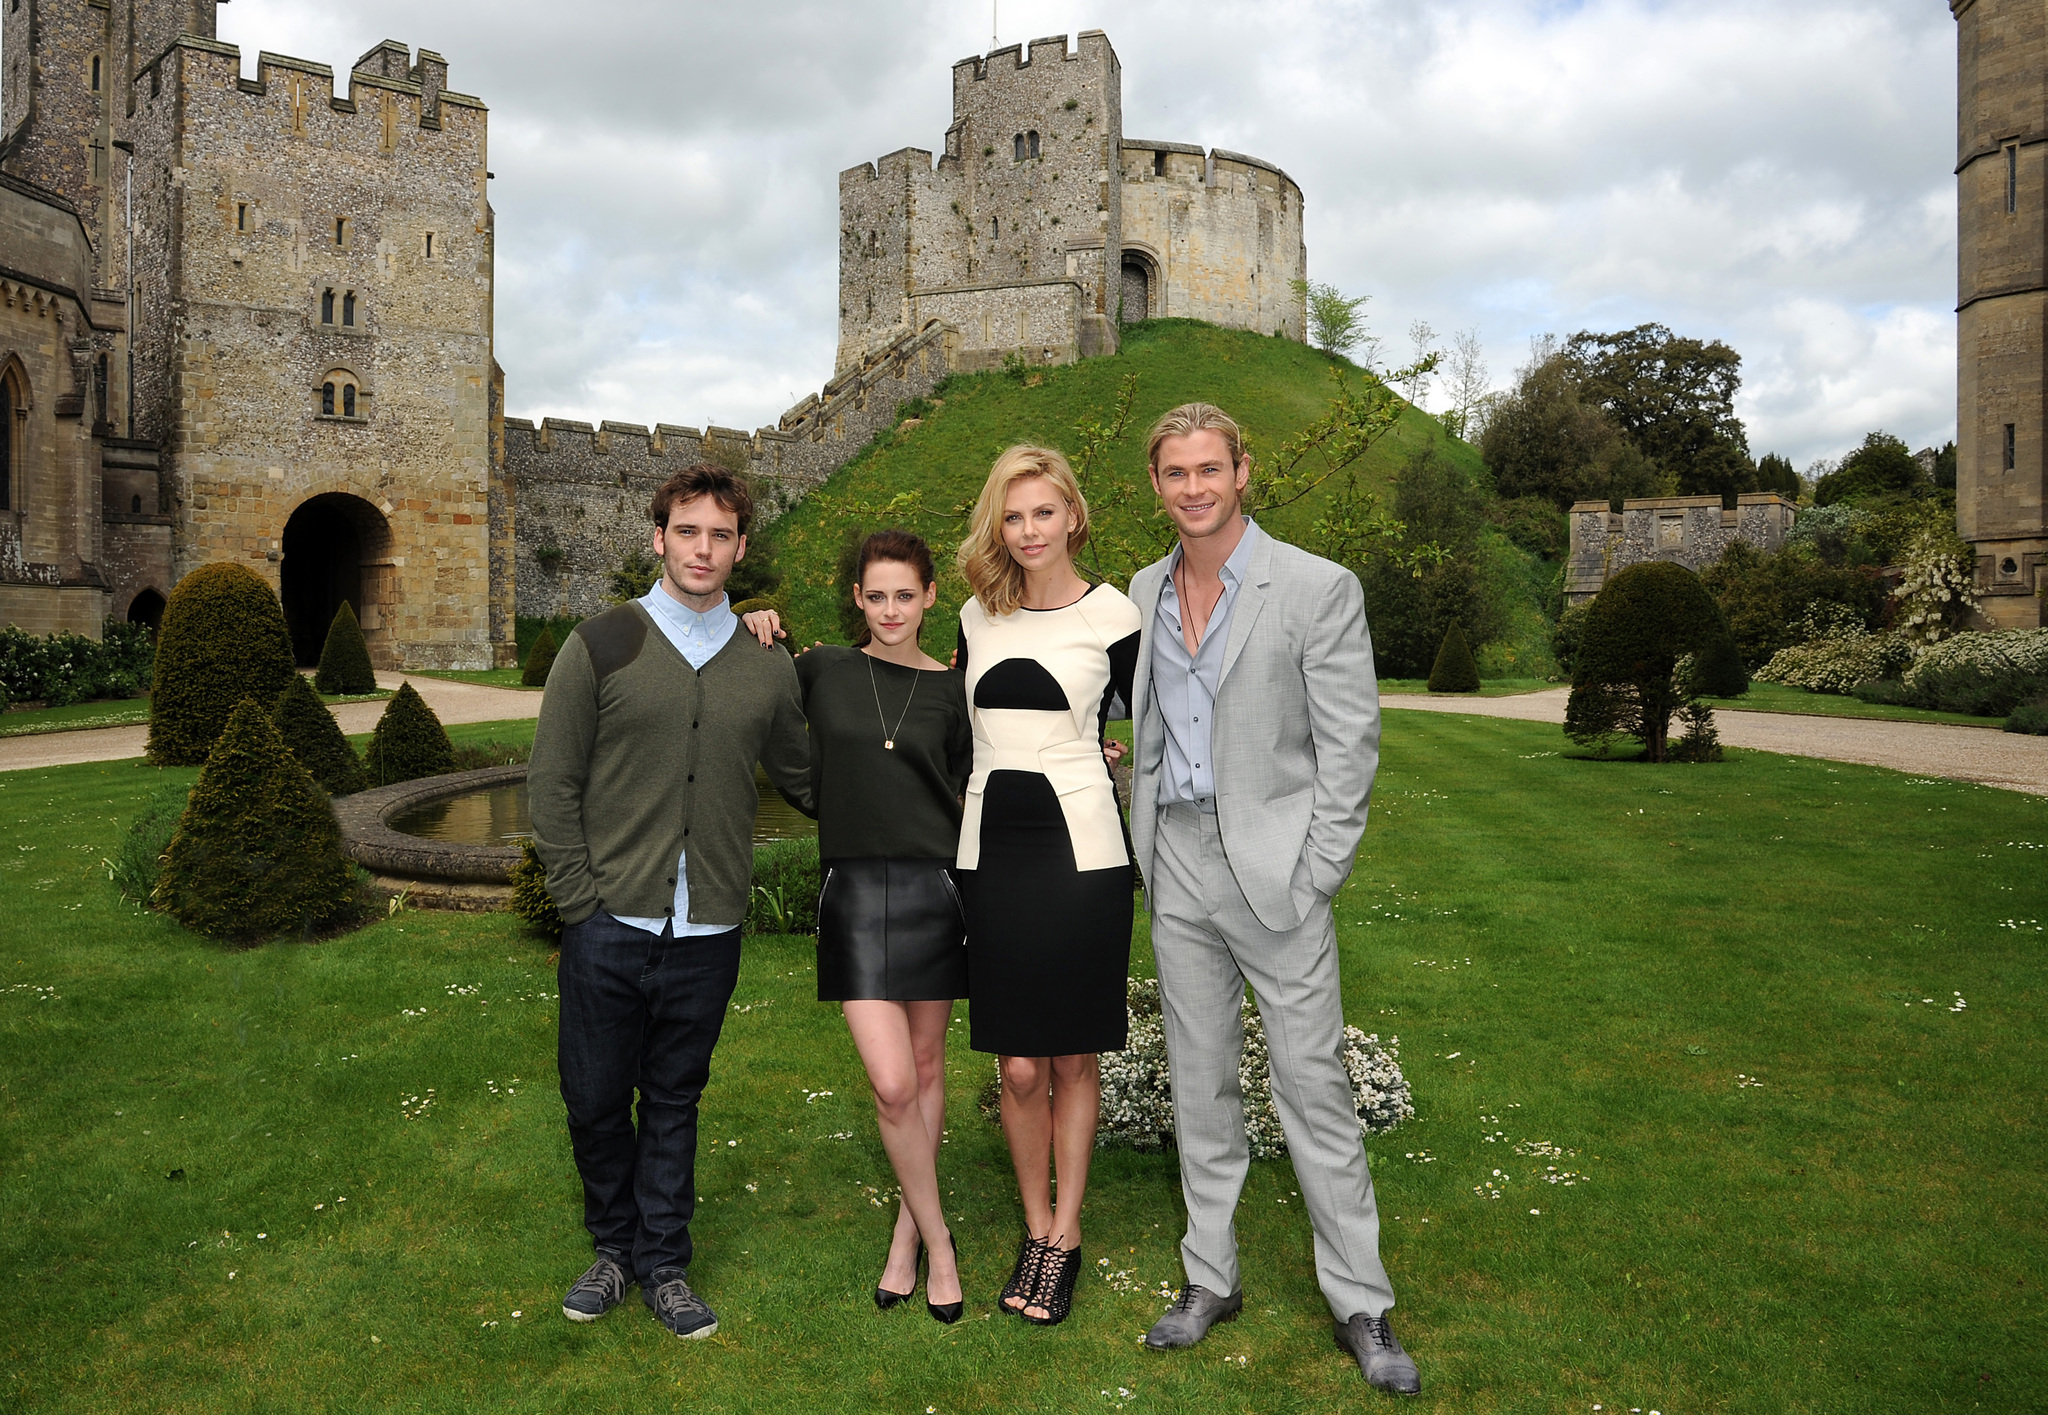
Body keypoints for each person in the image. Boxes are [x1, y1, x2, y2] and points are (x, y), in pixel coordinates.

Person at [1125, 404, 1420, 1395]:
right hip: (1177, 865)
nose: (1194, 487)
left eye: (1210, 468)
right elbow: (1152, 728)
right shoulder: (1142, 589)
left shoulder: (1315, 586)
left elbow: (1351, 748)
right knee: (1198, 1084)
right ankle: (1211, 1277)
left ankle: (1359, 1298)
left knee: (1312, 1089)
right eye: (1176, 472)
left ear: (1241, 471)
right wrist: (1148, 855)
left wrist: (1314, 871)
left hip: (1276, 874)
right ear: (1156, 483)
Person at [528, 464, 811, 1341]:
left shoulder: (766, 663)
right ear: (658, 538)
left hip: (709, 926)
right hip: (610, 919)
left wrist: (927, 727)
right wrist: (581, 902)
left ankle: (664, 1262)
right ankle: (613, 1248)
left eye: (720, 534)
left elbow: (810, 779)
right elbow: (552, 782)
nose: (702, 548)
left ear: (739, 547)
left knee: (677, 1099)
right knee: (596, 1098)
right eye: (687, 531)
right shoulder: (602, 642)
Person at [738, 530, 972, 1323]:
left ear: (929, 595)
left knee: (930, 1069)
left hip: (933, 892)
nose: (891, 610)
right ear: (859, 600)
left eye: (905, 594)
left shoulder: (952, 690)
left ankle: (908, 1235)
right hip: (852, 892)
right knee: (892, 1080)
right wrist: (754, 621)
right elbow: (759, 706)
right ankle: (943, 1240)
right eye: (876, 596)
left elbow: (975, 785)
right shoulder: (824, 667)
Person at [954, 445, 1141, 1327]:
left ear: (1073, 515)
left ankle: (1065, 1233)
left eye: (1043, 512)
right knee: (1019, 1063)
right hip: (993, 856)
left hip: (1084, 857)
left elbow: (1168, 724)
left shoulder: (1117, 615)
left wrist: (1114, 757)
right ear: (999, 524)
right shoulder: (973, 617)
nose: (1028, 531)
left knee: (1072, 1056)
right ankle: (1033, 1222)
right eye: (1013, 515)